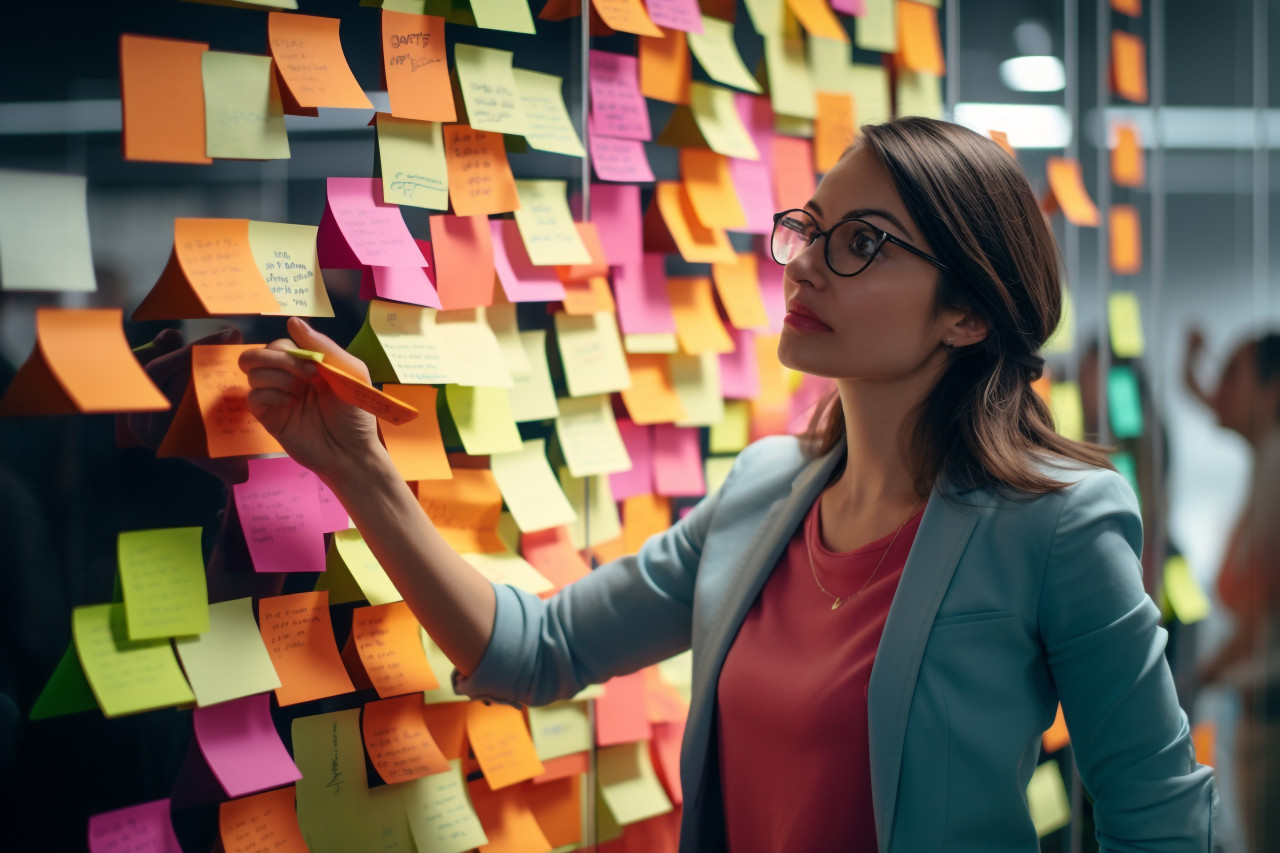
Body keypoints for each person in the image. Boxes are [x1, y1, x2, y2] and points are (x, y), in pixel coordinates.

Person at [240, 117, 1216, 852]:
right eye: (810, 229)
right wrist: (363, 471)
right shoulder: (761, 494)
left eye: (862, 243)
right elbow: (537, 650)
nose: (806, 269)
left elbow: (1158, 816)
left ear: (965, 313)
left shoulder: (1052, 524)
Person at [1185, 328, 1280, 852]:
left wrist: (1191, 680)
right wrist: (1192, 373)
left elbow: (1252, 605)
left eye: (1232, 375)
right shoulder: (1267, 456)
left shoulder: (1275, 468)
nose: (1218, 391)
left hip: (1270, 726)